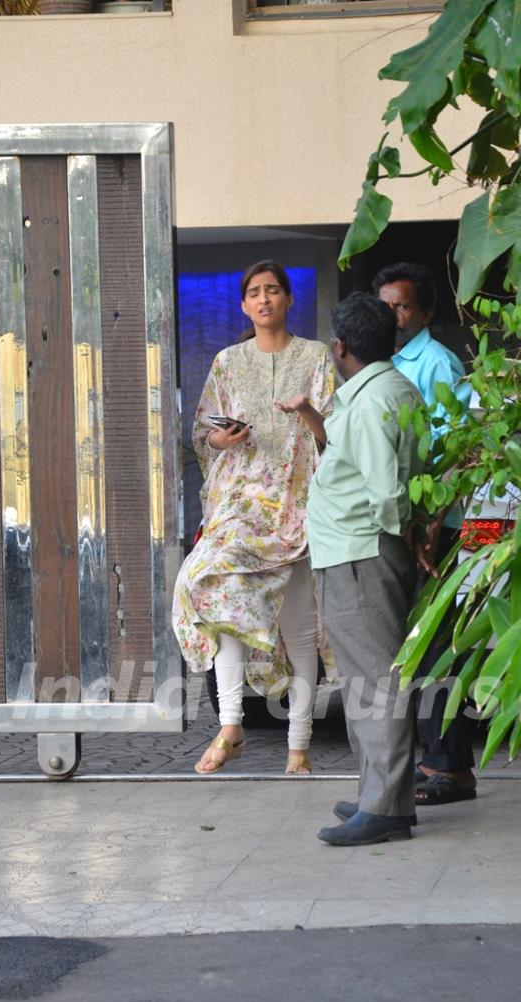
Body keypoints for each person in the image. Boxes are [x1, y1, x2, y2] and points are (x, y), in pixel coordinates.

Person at [172, 260, 335, 775]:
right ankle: (231, 725)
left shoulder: (316, 357)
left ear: (288, 299)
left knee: (299, 630)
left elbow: (334, 435)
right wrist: (221, 438)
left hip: (299, 504)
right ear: (244, 305)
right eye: (254, 293)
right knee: (208, 586)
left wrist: (305, 412)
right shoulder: (226, 362)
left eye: (272, 291)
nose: (263, 299)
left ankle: (299, 749)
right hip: (240, 506)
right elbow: (202, 435)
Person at [307, 292, 424, 846]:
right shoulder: (391, 388)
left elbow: (385, 493)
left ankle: (387, 808)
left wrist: (403, 536)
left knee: (376, 682)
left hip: (361, 554)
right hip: (356, 552)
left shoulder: (374, 400)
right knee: (365, 680)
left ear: (341, 347)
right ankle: (378, 791)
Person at [372, 262, 476, 805]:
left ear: (427, 312)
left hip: (441, 528)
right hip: (410, 527)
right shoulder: (382, 362)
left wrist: (434, 526)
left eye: (404, 306)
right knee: (415, 646)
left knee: (437, 647)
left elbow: (460, 452)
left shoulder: (435, 363)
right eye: (386, 306)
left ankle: (450, 768)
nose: (395, 315)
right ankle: (432, 762)